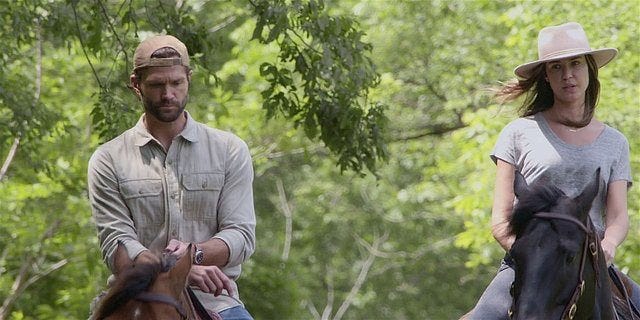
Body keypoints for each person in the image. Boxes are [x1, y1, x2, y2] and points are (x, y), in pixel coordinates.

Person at [469, 22, 639, 318]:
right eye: (556, 67)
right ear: (546, 77)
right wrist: (534, 256)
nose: (568, 75)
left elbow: (617, 216)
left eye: (575, 64)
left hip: (592, 263)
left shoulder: (615, 142)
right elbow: (499, 220)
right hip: (527, 266)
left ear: (589, 69)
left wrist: (608, 244)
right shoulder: (518, 133)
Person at [87, 34, 256, 319]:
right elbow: (116, 243)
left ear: (189, 78)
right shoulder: (108, 159)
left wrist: (193, 254)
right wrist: (175, 274)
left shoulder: (229, 150)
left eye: (176, 82)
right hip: (133, 301)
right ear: (136, 85)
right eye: (156, 85)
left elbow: (241, 235)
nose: (168, 94)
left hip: (215, 302)